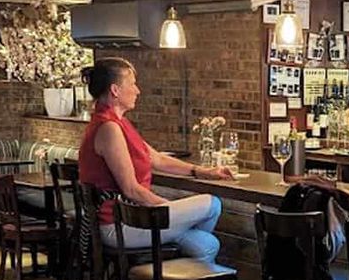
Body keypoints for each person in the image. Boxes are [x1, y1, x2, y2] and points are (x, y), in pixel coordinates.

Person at [77, 56, 233, 259]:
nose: (138, 90)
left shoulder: (117, 123)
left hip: (131, 217)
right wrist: (167, 209)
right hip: (119, 225)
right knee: (212, 204)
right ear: (115, 90)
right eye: (132, 84)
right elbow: (131, 189)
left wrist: (202, 171)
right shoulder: (109, 128)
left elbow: (157, 159)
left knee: (206, 245)